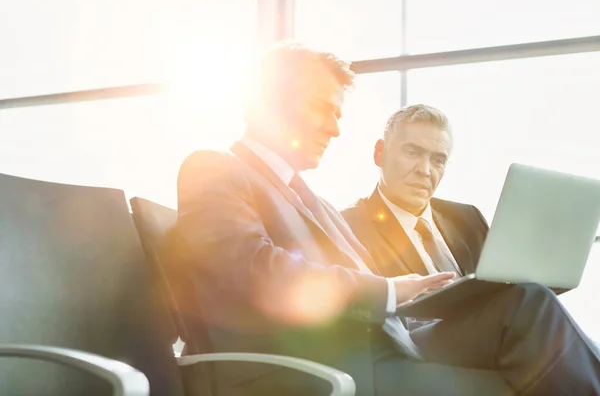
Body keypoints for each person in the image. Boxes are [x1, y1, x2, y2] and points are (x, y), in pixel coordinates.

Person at [170, 41, 599, 395]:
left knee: (526, 301)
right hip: (333, 359)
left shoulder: (309, 199)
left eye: (338, 114)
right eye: (321, 108)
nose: (334, 129)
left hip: (391, 337)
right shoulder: (215, 168)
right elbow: (247, 268)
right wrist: (389, 291)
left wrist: (419, 296)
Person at [342, 104, 600, 394]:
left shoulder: (465, 217)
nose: (424, 170)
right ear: (380, 153)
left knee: (538, 311)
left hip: (485, 333)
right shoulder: (349, 225)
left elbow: (498, 284)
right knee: (531, 304)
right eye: (412, 152)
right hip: (414, 339)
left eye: (438, 159)